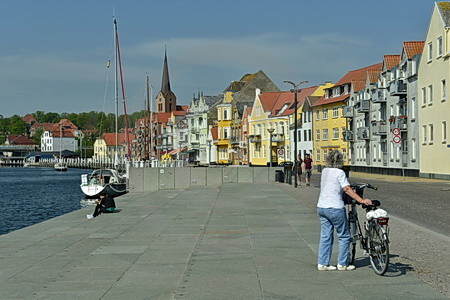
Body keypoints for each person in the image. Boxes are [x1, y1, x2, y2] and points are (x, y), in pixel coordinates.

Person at [317, 150, 372, 271]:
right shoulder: (340, 172)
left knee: (326, 236)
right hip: (335, 207)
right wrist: (361, 200)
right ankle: (342, 263)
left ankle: (322, 263)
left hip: (322, 207)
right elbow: (347, 189)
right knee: (344, 235)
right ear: (340, 160)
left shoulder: (324, 171)